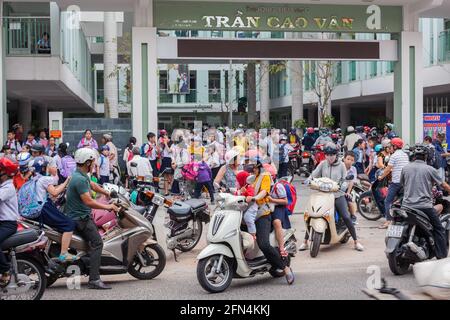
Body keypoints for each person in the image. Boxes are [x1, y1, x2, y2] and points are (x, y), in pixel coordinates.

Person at [64, 148, 119, 290]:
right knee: (98, 243)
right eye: (93, 162)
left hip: (78, 215)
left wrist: (106, 192)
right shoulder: (80, 179)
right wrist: (108, 207)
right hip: (80, 218)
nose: (95, 164)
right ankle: (94, 279)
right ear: (87, 162)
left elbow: (93, 185)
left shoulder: (80, 175)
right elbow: (88, 201)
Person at [299, 144, 364, 252]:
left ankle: (356, 242)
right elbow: (314, 174)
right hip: (323, 195)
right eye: (328, 155)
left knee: (346, 217)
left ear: (336, 155)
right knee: (313, 214)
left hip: (337, 194)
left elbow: (345, 179)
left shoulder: (342, 165)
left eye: (332, 155)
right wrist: (308, 180)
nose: (330, 157)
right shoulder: (322, 164)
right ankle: (305, 241)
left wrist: (342, 186)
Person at [248, 160, 295, 285]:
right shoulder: (253, 178)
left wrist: (255, 197)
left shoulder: (266, 177)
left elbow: (264, 192)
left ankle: (285, 267)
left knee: (263, 243)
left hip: (263, 214)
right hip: (250, 212)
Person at [400, 144, 450, 259]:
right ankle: (441, 256)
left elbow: (402, 184)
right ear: (426, 157)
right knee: (439, 228)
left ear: (413, 156)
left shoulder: (405, 168)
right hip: (424, 207)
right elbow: (443, 185)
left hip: (406, 206)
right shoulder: (430, 169)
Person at [28, 157, 76, 262]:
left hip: (38, 210)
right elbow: (54, 192)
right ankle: (64, 254)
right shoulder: (44, 179)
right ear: (44, 168)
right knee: (69, 224)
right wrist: (67, 181)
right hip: (45, 208)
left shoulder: (34, 178)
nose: (51, 167)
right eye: (48, 166)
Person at [377, 137, 409, 229]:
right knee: (403, 201)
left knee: (387, 201)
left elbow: (388, 169)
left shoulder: (394, 156)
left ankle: (388, 221)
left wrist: (381, 177)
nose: (390, 147)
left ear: (395, 147)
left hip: (396, 183)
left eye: (391, 146)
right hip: (405, 182)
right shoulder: (405, 155)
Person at [0, 158, 20, 287]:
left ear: (5, 174)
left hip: (8, 224)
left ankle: (5, 269)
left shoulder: (8, 188)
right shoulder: (3, 186)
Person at [235, 171, 257, 239]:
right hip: (243, 206)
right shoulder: (239, 189)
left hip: (251, 206)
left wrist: (246, 192)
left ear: (242, 181)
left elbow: (250, 196)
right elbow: (236, 195)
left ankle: (253, 235)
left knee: (248, 217)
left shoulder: (249, 188)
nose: (236, 182)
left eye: (237, 181)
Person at [343, 151, 358, 224]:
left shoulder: (353, 169)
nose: (349, 161)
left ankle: (353, 215)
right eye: (348, 159)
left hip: (347, 188)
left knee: (349, 200)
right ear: (344, 159)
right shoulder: (340, 166)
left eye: (352, 160)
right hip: (337, 188)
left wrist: (348, 192)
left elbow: (351, 182)